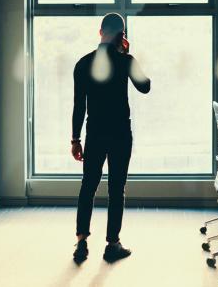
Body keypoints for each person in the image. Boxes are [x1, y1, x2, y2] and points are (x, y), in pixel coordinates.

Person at [71, 13, 151, 263]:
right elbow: (145, 86)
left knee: (88, 185)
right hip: (119, 134)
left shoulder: (83, 63)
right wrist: (128, 56)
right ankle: (112, 244)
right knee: (117, 188)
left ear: (100, 31)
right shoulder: (124, 60)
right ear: (122, 35)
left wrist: (75, 139)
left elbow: (78, 106)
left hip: (93, 132)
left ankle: (81, 242)